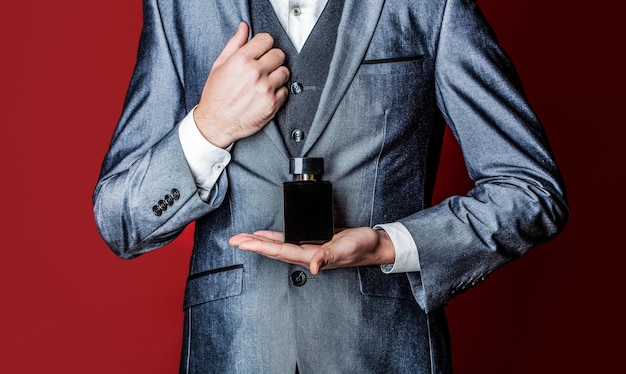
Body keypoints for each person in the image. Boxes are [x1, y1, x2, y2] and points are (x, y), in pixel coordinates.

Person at [93, 0, 569, 372]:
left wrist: (389, 245)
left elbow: (530, 190)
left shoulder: (430, 6)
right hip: (236, 353)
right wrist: (209, 127)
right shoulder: (179, 7)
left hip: (382, 353)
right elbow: (120, 220)